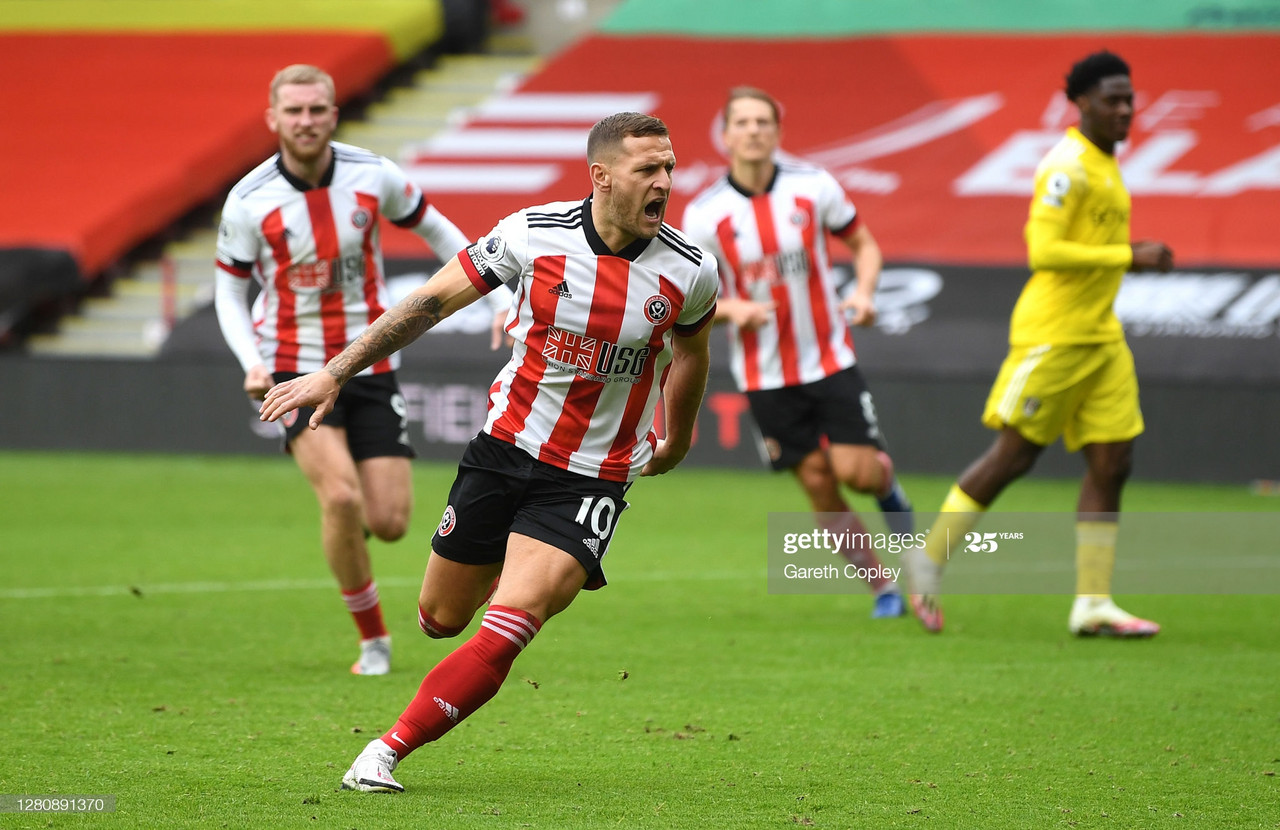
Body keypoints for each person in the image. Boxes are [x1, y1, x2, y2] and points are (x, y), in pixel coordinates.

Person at [259, 112, 719, 793]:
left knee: (515, 619)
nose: (665, 184)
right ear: (601, 177)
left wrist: (675, 440)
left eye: (670, 169)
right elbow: (429, 302)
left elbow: (691, 354)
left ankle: (384, 752)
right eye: (648, 170)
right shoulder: (531, 235)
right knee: (440, 619)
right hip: (504, 451)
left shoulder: (689, 270)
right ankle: (511, 558)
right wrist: (337, 371)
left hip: (591, 478)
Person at [214, 64, 489, 676]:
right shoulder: (249, 200)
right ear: (274, 119)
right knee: (339, 497)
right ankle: (374, 641)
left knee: (388, 523)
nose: (306, 121)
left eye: (317, 110)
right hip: (289, 365)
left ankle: (348, 545)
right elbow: (228, 291)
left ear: (334, 114)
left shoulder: (374, 175)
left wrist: (494, 297)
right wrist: (252, 362)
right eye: (295, 112)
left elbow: (440, 230)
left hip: (369, 360)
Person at [903, 51, 1174, 636]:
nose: (1125, 109)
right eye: (1112, 99)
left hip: (1101, 335)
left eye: (1130, 98)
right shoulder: (1066, 166)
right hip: (1052, 337)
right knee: (1014, 456)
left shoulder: (1106, 162)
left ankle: (1093, 602)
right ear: (1081, 103)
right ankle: (929, 560)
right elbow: (1043, 252)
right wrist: (1130, 255)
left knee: (1113, 460)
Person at [680, 87, 914, 619]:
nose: (754, 130)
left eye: (763, 121)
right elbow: (682, 300)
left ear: (777, 131)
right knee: (816, 483)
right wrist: (733, 309)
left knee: (855, 472)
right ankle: (883, 588)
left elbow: (865, 245)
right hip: (764, 375)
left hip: (829, 357)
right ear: (725, 136)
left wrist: (864, 292)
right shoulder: (703, 215)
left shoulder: (814, 187)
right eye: (742, 121)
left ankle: (890, 490)